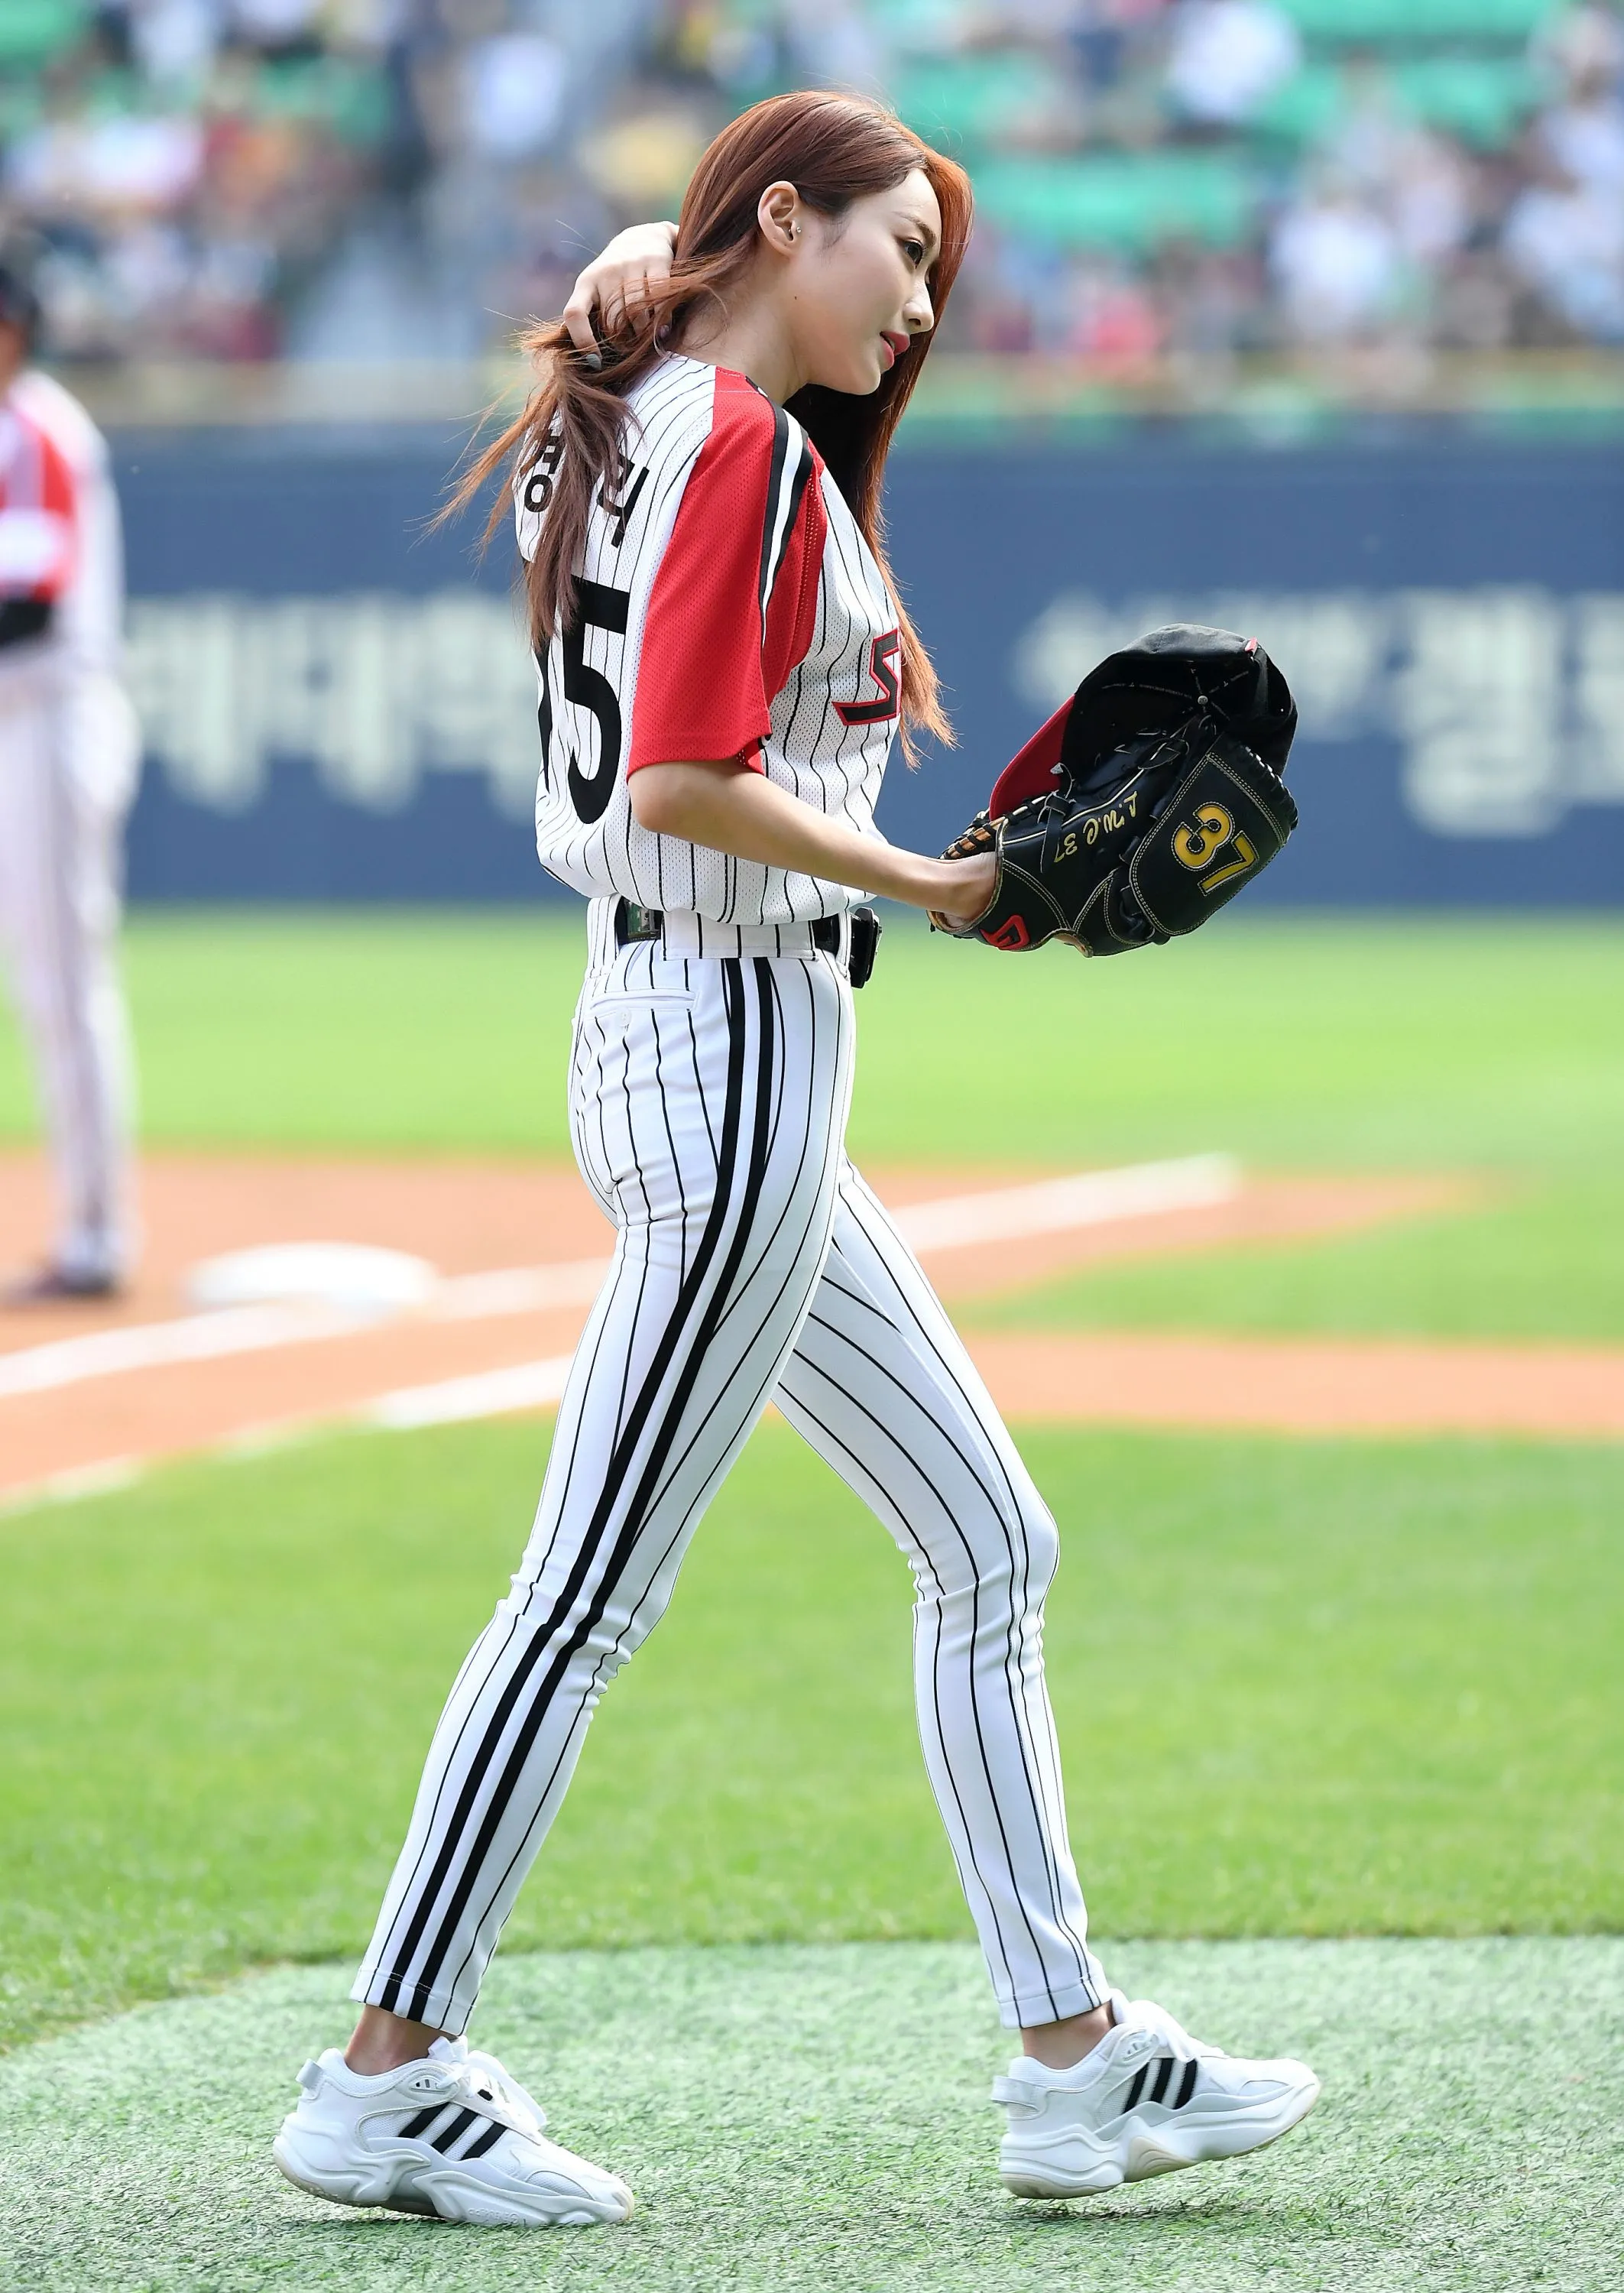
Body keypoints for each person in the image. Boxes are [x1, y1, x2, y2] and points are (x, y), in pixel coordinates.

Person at [274, 91, 1319, 2228]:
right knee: (581, 1596)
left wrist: (639, 276)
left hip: (704, 1038)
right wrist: (938, 890)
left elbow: (634, 340)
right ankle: (383, 2069)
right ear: (778, 219)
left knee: (989, 1542)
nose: (921, 298)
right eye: (896, 248)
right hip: (727, 1038)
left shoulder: (642, 386)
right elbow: (677, 777)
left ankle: (1069, 2059)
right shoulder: (729, 434)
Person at [0, 242, 141, 1302]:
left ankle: (95, 1233)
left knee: (61, 983)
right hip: (20, 722)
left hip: (49, 720)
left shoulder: (39, 428)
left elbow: (29, 601)